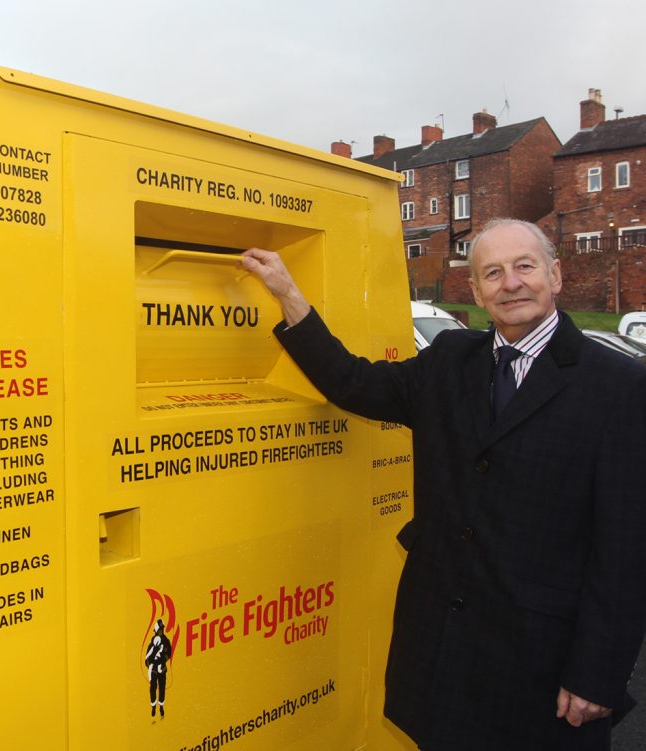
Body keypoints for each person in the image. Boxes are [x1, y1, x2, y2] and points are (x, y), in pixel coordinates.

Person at [242, 218, 646, 751]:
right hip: (444, 647)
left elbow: (625, 549)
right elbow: (353, 381)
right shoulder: (450, 360)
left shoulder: (619, 385)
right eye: (493, 273)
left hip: (541, 664)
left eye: (524, 267)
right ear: (475, 290)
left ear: (556, 274)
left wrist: (598, 672)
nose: (511, 283)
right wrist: (289, 295)